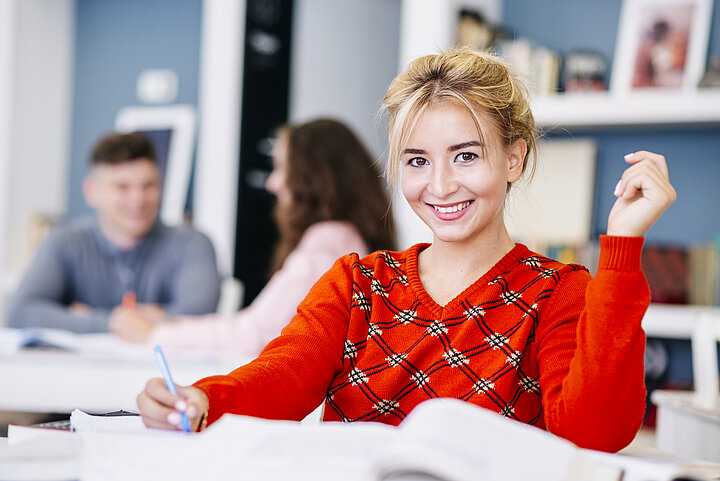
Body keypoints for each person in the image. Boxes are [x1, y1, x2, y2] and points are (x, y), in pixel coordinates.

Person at [137, 48, 676, 453]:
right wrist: (205, 399)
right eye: (417, 161)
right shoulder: (356, 283)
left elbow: (594, 435)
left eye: (465, 156)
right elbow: (281, 376)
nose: (439, 186)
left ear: (514, 158)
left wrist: (623, 248)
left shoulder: (560, 292)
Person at [109, 118, 397, 356]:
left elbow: (255, 334)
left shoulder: (325, 245)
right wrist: (170, 322)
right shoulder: (348, 239)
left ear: (315, 177)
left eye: (282, 168)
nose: (272, 183)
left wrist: (155, 334)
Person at [6, 132, 221, 333]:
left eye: (148, 186)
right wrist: (112, 322)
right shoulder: (63, 241)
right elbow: (20, 314)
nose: (138, 199)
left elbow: (197, 319)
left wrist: (82, 317)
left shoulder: (192, 243)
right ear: (92, 191)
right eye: (122, 187)